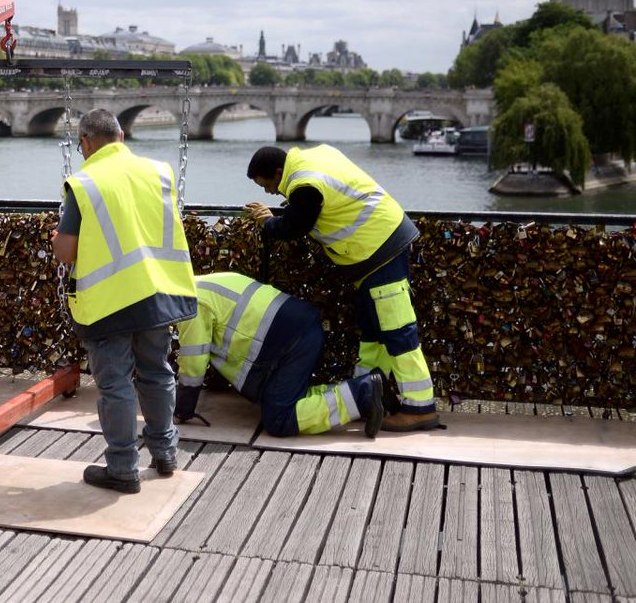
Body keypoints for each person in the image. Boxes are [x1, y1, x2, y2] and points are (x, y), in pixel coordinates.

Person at [51, 109, 197, 494]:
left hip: (110, 300)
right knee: (157, 371)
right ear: (120, 135)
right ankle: (165, 454)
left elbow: (66, 252)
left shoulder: (85, 183)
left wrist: (56, 239)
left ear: (85, 141)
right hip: (157, 290)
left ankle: (122, 469)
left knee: (115, 383)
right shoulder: (158, 171)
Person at [244, 144, 439, 432]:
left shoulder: (304, 184)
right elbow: (315, 204)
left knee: (399, 329)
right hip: (376, 248)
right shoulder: (313, 158)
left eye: (268, 185)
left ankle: (420, 408)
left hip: (380, 248)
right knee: (374, 331)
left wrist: (268, 222)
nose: (269, 192)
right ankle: (369, 396)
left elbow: (294, 226)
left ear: (277, 172)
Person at [174, 272, 383, 438]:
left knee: (279, 418)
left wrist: (182, 409)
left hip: (291, 340)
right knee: (291, 398)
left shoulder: (191, 303)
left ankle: (362, 394)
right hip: (298, 329)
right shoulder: (202, 283)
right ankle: (373, 393)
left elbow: (193, 362)